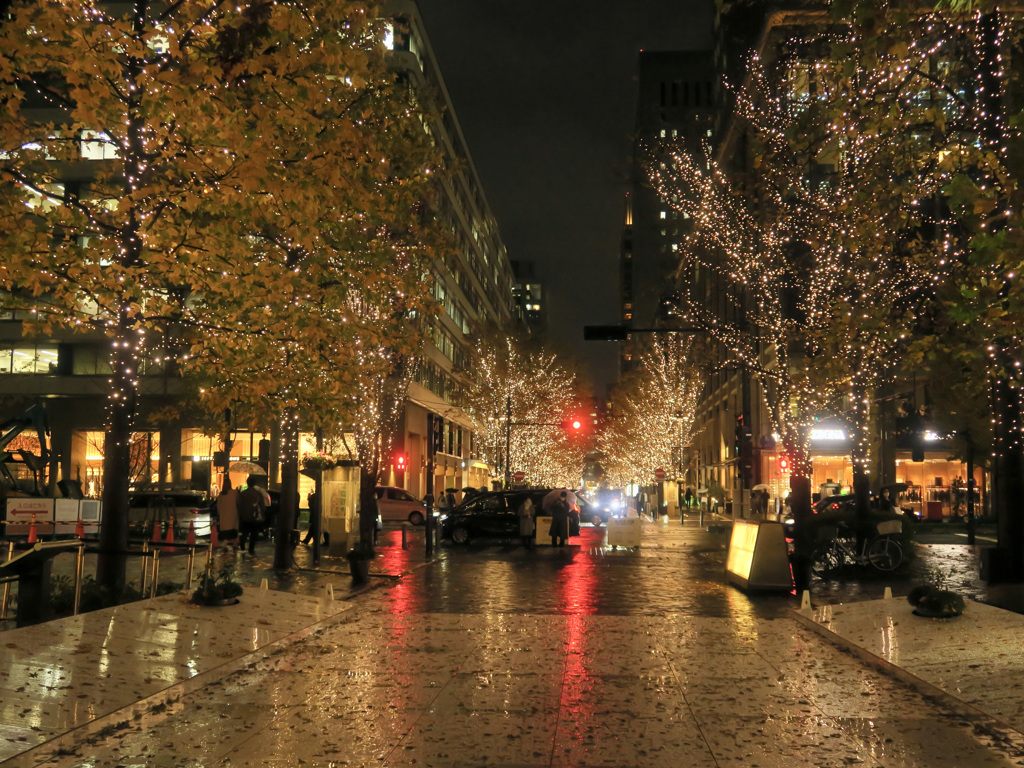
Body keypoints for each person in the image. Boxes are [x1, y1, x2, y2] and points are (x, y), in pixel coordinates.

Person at [237, 482, 266, 555]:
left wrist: (241, 513)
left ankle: (242, 545)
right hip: (254, 517)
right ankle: (251, 549)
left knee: (245, 532)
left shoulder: (243, 493)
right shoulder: (258, 494)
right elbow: (262, 505)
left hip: (245, 517)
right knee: (254, 534)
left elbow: (239, 505)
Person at [216, 479, 240, 551]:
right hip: (233, 515)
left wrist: (220, 513)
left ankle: (225, 544)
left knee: (225, 531)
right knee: (234, 529)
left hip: (224, 516)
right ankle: (235, 544)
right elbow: (238, 503)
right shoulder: (235, 493)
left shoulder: (221, 494)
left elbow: (218, 506)